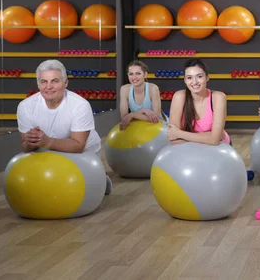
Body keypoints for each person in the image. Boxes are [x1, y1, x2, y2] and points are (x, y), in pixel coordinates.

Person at [16, 59, 111, 194]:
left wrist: (47, 141)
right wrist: (31, 142)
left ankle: (101, 177)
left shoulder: (80, 105)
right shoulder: (25, 107)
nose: (49, 87)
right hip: (48, 150)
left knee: (74, 189)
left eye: (55, 81)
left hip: (82, 152)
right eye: (44, 82)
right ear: (38, 84)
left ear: (65, 83)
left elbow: (78, 145)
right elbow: (25, 147)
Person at [167, 59, 231, 145]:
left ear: (207, 78)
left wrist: (179, 133)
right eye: (189, 77)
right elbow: (173, 139)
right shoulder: (179, 97)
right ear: (185, 80)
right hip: (188, 150)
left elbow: (214, 140)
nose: (195, 82)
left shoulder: (218, 97)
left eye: (199, 76)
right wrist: (208, 137)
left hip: (218, 150)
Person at [118, 60, 164, 130]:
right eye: (131, 74)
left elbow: (156, 118)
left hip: (158, 127)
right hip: (138, 127)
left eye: (138, 73)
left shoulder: (153, 88)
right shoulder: (124, 89)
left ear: (145, 75)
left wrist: (133, 115)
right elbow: (124, 117)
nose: (134, 77)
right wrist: (143, 111)